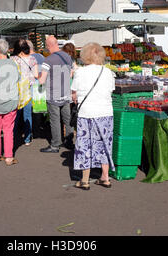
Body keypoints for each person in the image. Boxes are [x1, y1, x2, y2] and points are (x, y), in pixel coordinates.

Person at [71, 43, 115, 190]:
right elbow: (110, 90)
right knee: (104, 143)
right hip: (105, 113)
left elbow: (74, 95)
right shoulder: (108, 72)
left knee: (85, 145)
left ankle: (84, 179)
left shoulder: (80, 72)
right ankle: (105, 177)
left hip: (87, 113)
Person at [38, 35, 74, 153]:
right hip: (66, 92)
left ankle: (55, 144)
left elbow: (42, 80)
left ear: (48, 46)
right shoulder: (68, 57)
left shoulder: (48, 60)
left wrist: (37, 77)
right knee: (67, 119)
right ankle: (69, 141)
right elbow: (71, 73)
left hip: (53, 94)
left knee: (55, 120)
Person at [11, 39, 39, 146]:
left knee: (15, 115)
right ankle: (27, 138)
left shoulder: (12, 59)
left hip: (16, 89)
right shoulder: (32, 59)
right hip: (28, 89)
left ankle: (12, 137)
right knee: (27, 115)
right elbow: (36, 75)